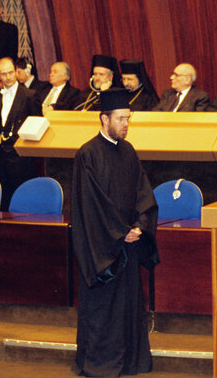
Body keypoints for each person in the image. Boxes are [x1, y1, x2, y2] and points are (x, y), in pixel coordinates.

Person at [71, 88, 159, 377]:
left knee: (130, 309)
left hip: (128, 247)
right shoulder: (87, 154)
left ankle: (131, 363)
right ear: (104, 118)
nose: (126, 124)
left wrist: (140, 227)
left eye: (128, 118)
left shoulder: (129, 151)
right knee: (104, 311)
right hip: (103, 251)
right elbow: (91, 206)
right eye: (121, 118)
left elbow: (143, 194)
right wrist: (121, 233)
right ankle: (100, 365)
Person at [0, 57, 40, 211]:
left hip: (20, 156)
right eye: (4, 74)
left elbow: (38, 123)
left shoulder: (29, 95)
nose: (8, 77)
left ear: (16, 72)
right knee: (4, 198)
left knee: (22, 199)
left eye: (11, 73)